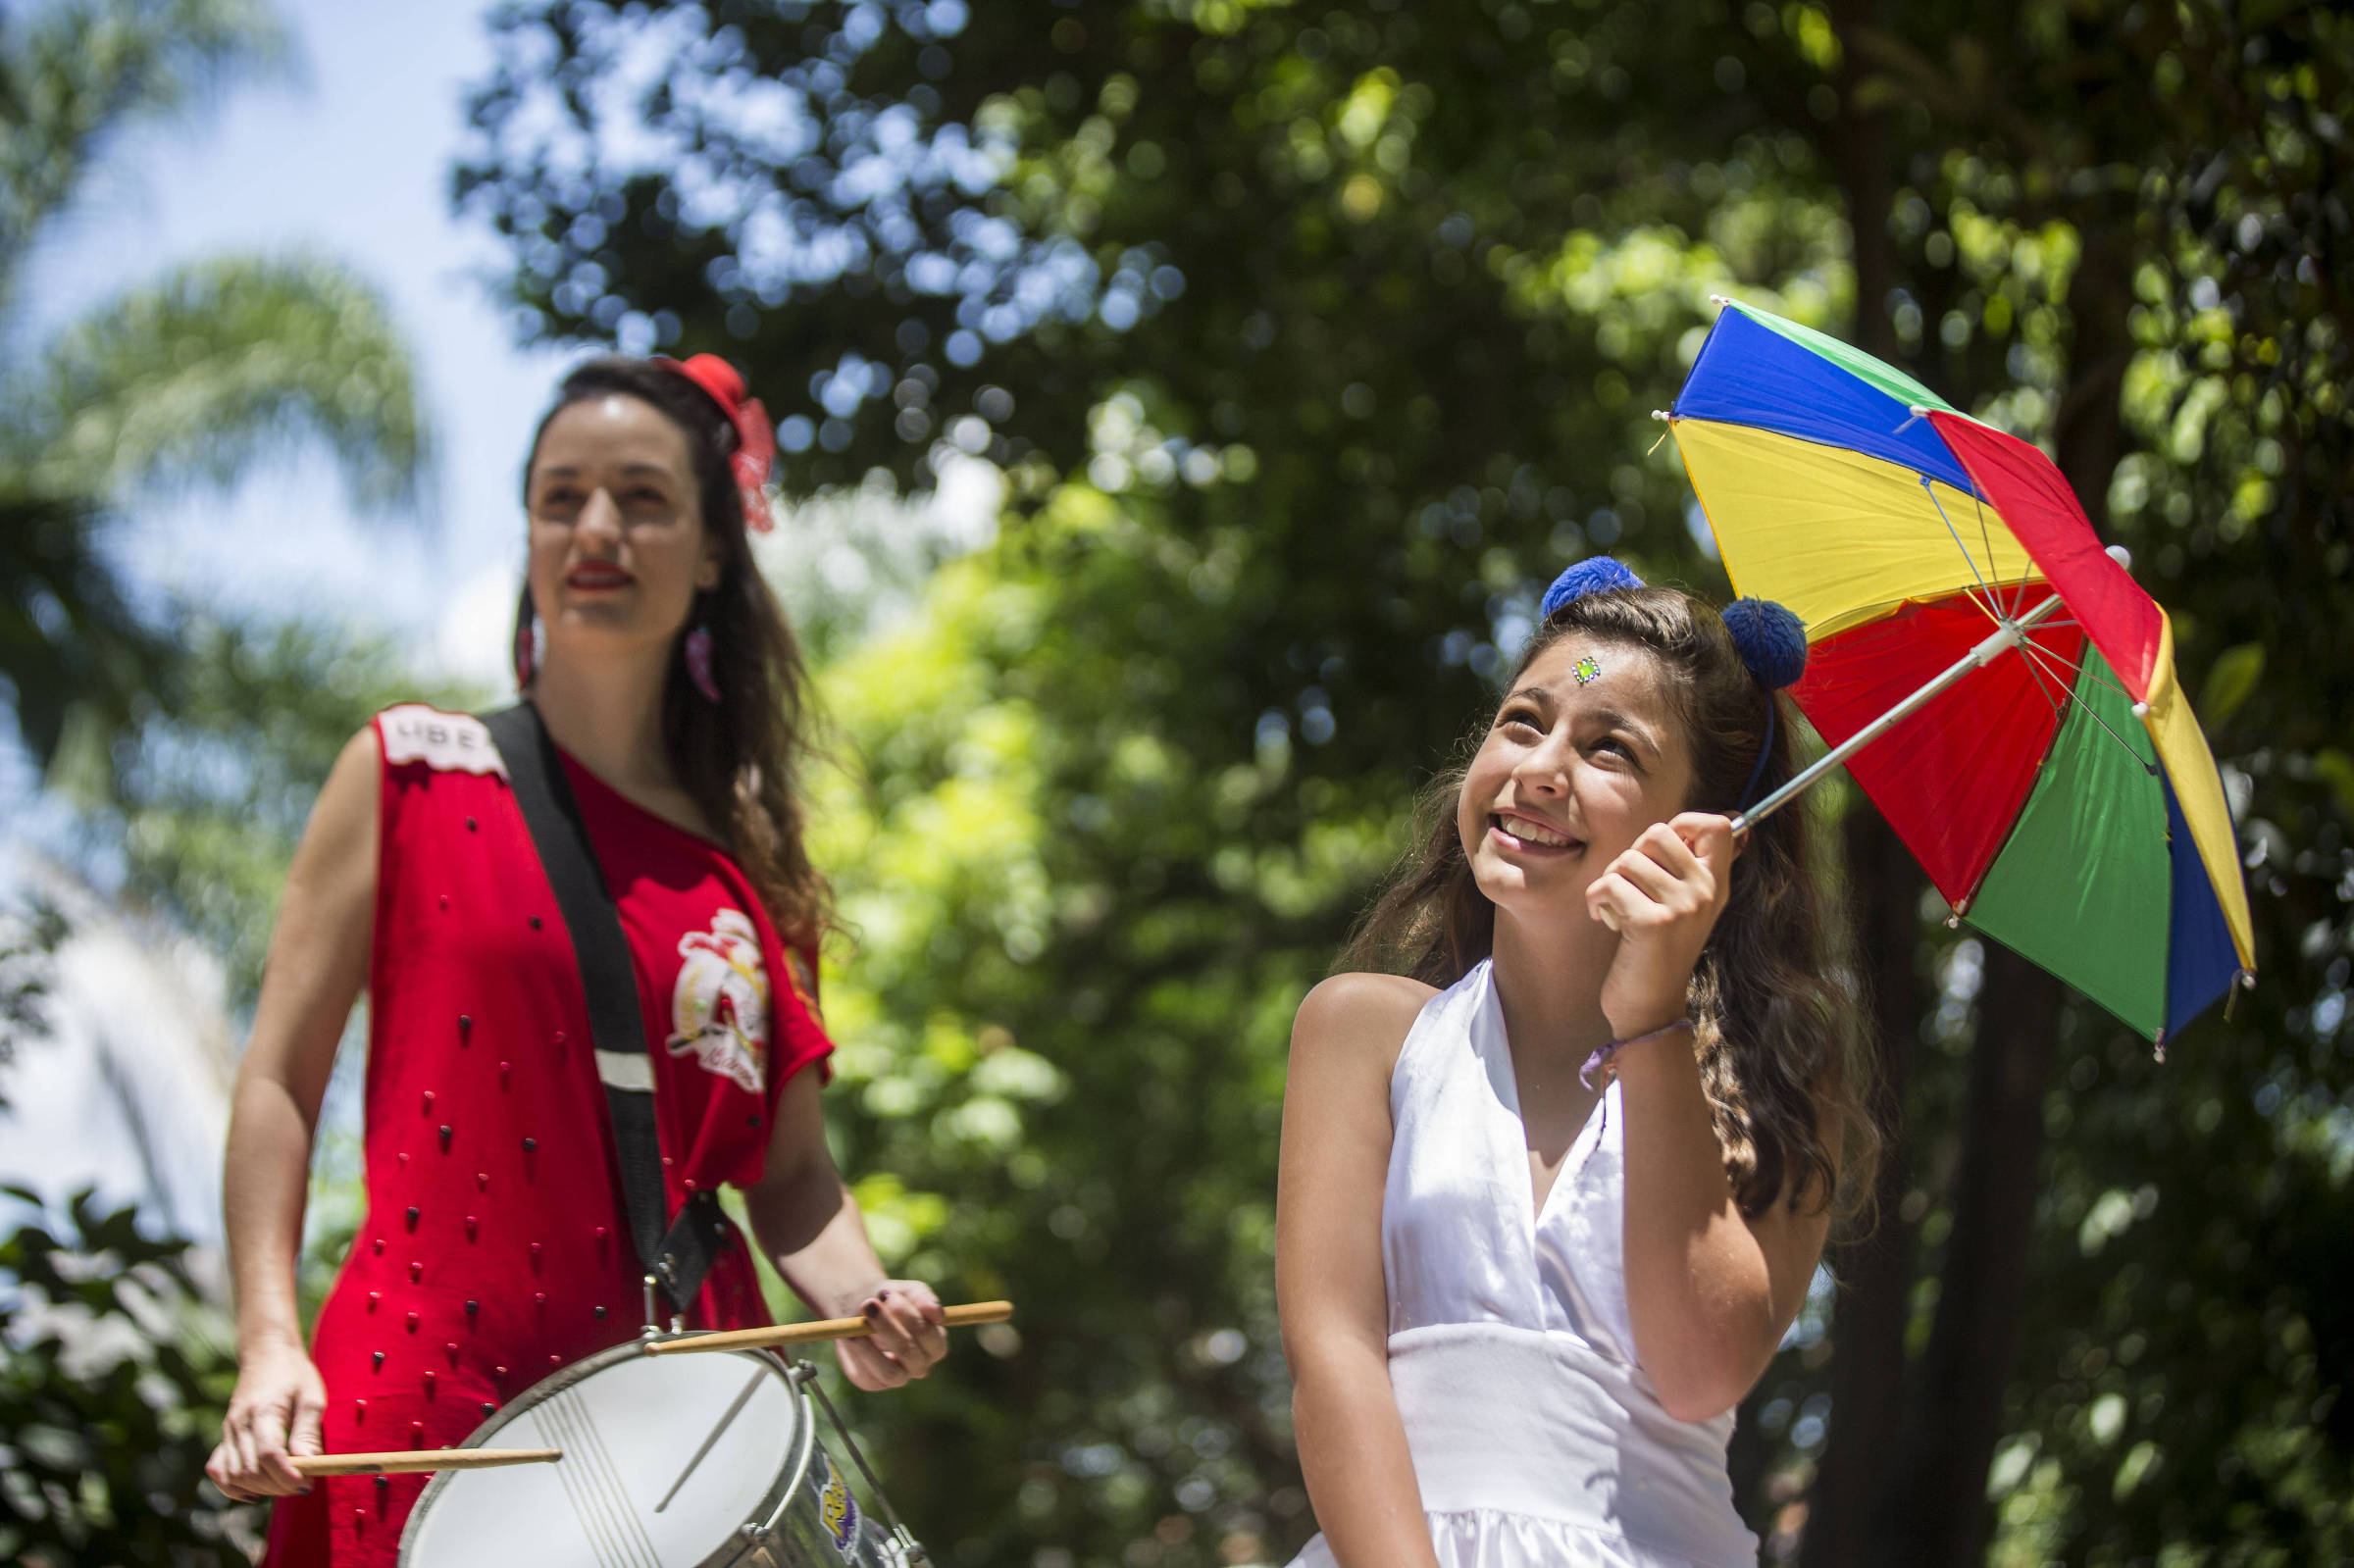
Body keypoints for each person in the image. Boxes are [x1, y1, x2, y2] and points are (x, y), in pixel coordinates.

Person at [205, 354, 948, 1564]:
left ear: (714, 547)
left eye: (644, 498)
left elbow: (795, 1173)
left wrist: (859, 1299)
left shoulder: (752, 870)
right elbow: (280, 1081)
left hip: (695, 1435)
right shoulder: (407, 771)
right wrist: (268, 1341)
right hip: (428, 1404)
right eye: (562, 498)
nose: (597, 528)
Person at [1276, 557, 1883, 1568]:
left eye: (1610, 749)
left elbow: (1698, 1374)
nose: (1541, 767)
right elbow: (1333, 1352)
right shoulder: (1364, 1032)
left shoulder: (1775, 1080)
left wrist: (1650, 1019)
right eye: (1525, 720)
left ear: (1709, 831)